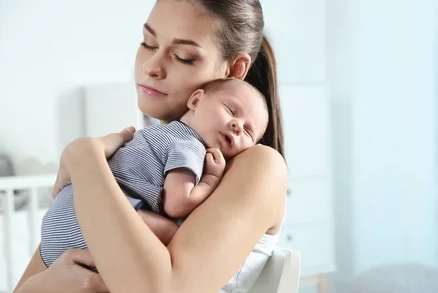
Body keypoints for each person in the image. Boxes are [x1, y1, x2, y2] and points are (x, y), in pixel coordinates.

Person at [0, 0, 287, 293]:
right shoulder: (136, 160)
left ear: (232, 70)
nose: (152, 66)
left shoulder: (257, 168)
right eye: (147, 42)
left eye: (182, 56)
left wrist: (83, 157)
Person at [41, 77, 270, 268]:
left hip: (58, 221)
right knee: (174, 238)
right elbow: (178, 203)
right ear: (196, 100)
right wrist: (211, 178)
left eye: (248, 132)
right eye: (230, 110)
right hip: (92, 220)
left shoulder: (158, 133)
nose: (237, 126)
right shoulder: (189, 146)